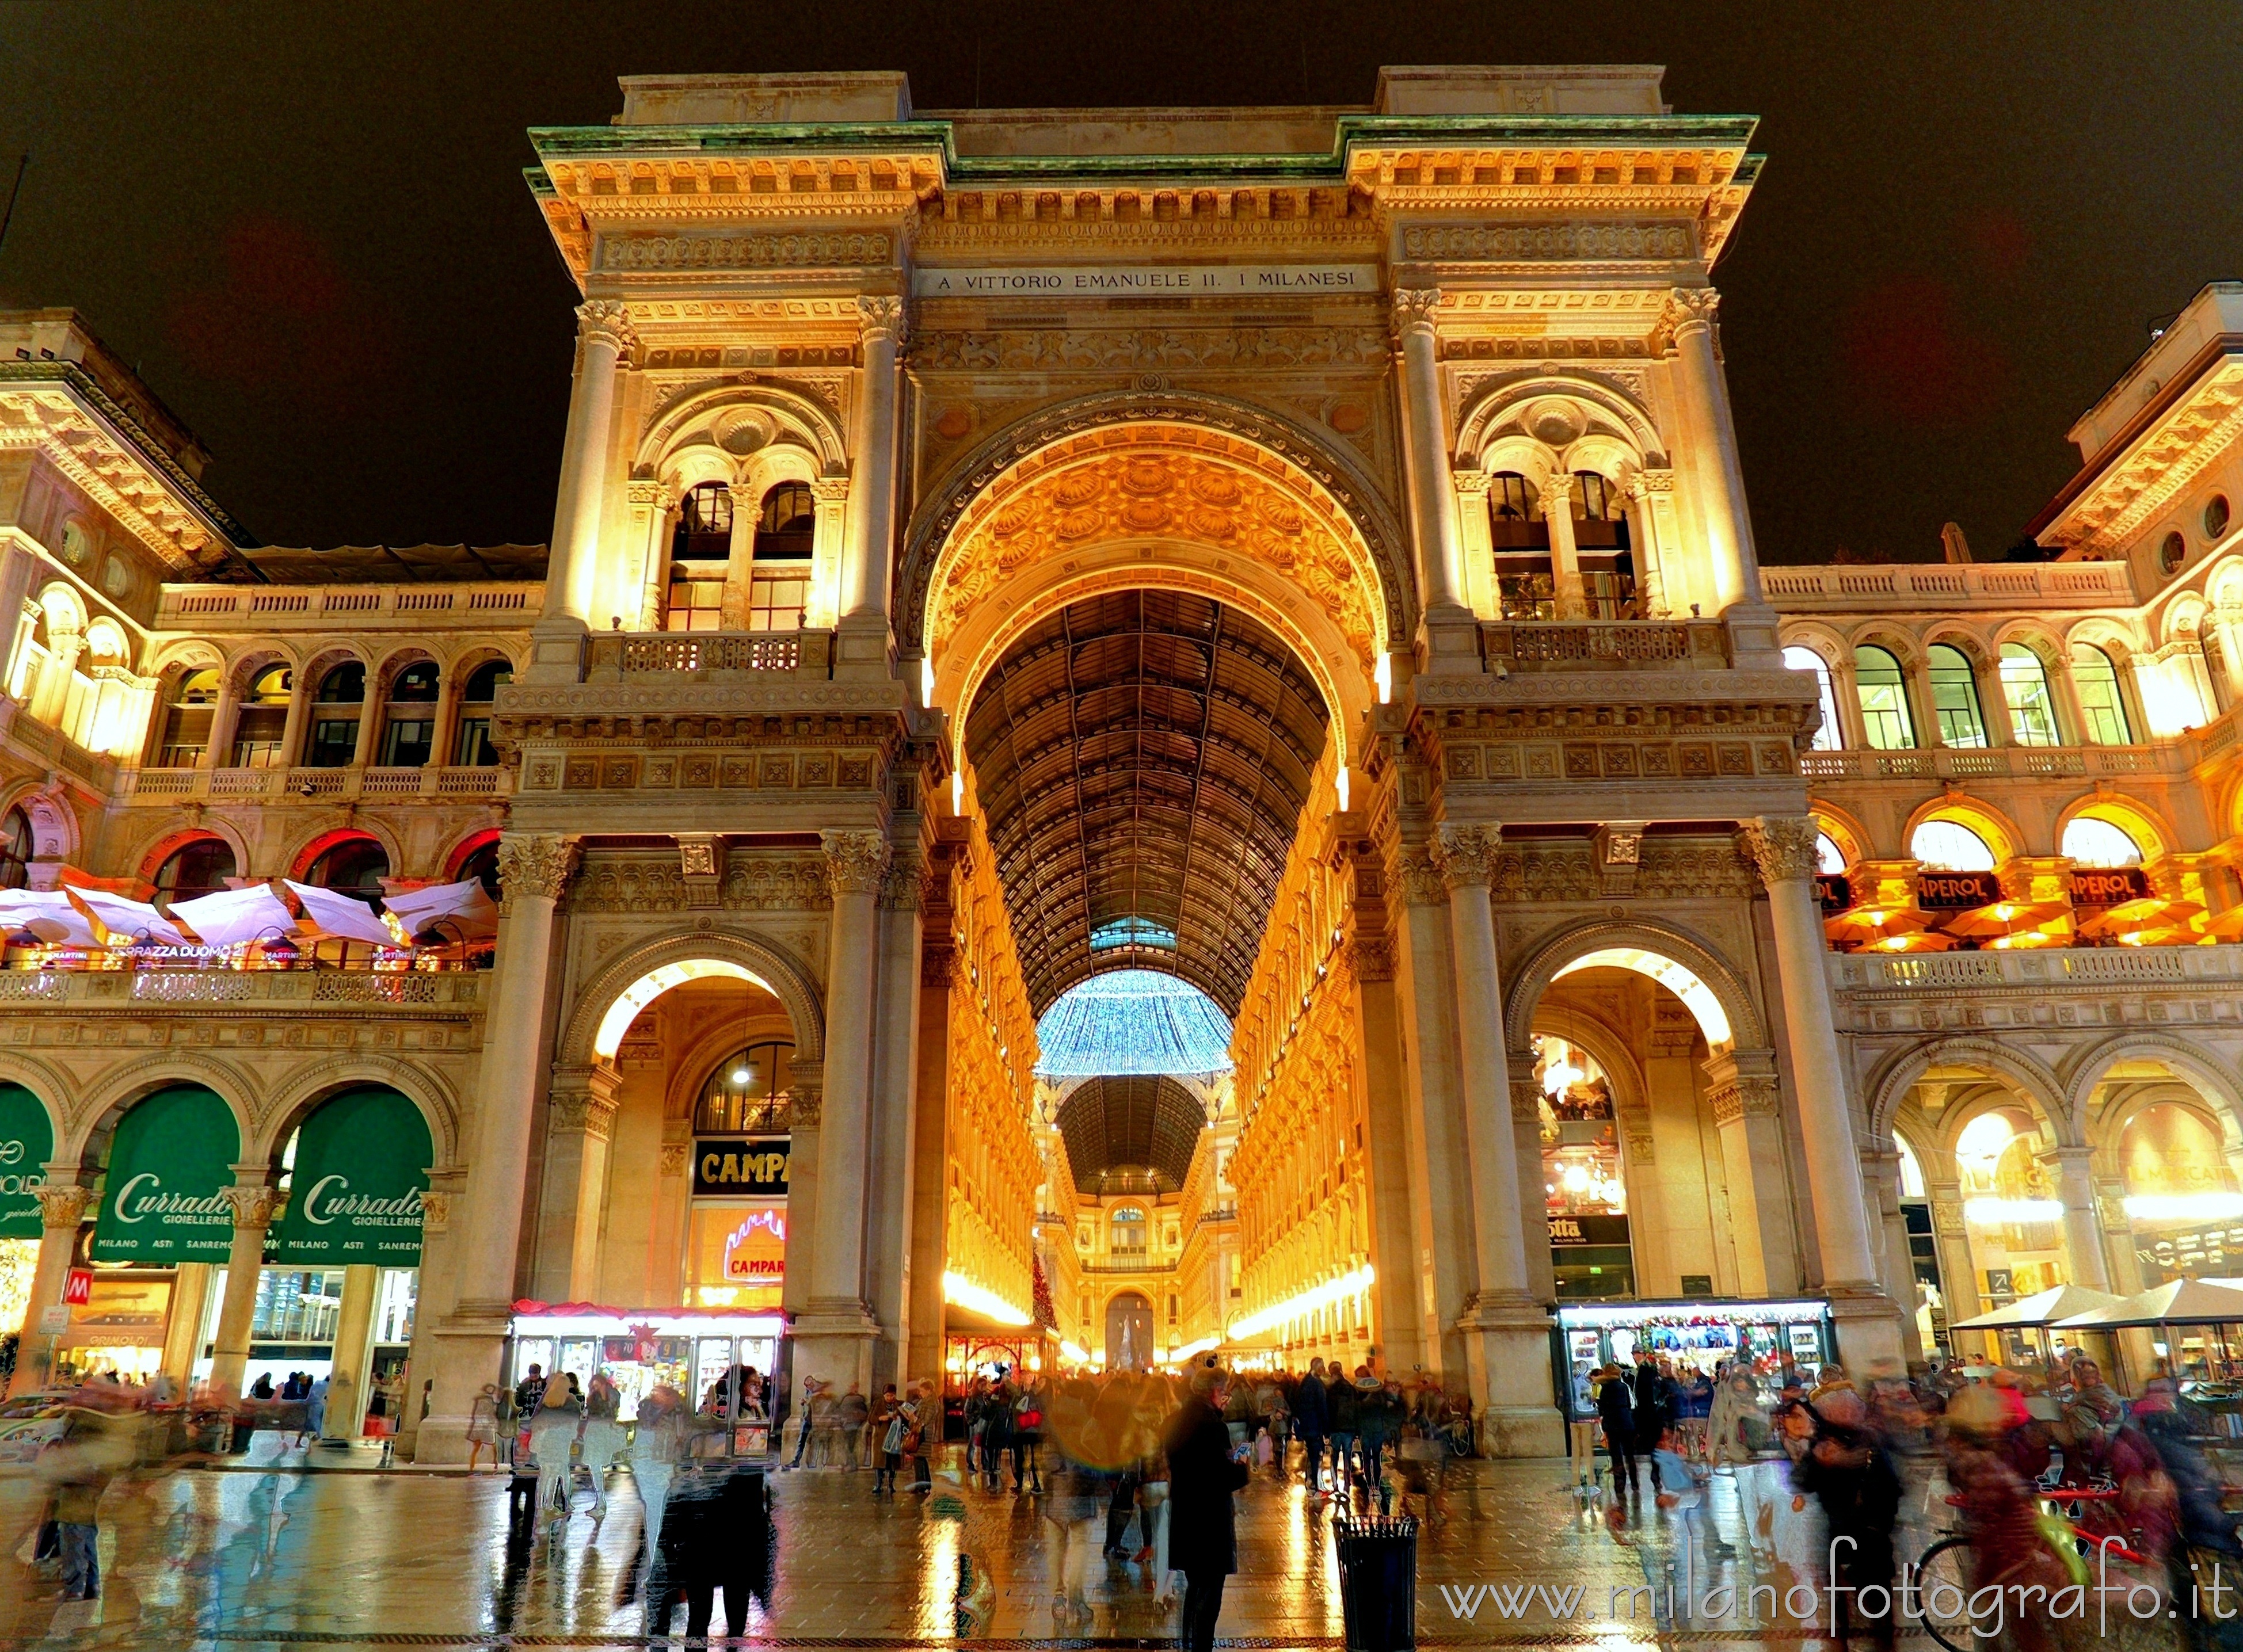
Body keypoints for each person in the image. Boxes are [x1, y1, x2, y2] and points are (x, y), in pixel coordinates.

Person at [1789, 1386, 1898, 1650]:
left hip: (1867, 1532)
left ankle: (1870, 1642)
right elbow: (1802, 1479)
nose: (1850, 1413)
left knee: (1874, 1600)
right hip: (1845, 1531)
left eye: (1852, 1409)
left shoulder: (1870, 1440)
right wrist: (1821, 1461)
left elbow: (1891, 1485)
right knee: (1851, 1600)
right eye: (1843, 1409)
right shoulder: (1824, 1442)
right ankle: (1848, 1642)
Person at [1166, 1361, 1250, 1652]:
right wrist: (1241, 1466)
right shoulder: (1214, 1427)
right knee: (1211, 1590)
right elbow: (1221, 1478)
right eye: (1224, 1394)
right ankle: (1201, 1648)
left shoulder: (1175, 1421)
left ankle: (1190, 1643)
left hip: (1185, 1515)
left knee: (1194, 1585)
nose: (1225, 1400)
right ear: (1215, 1392)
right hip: (1209, 1520)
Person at [529, 1374, 584, 1528]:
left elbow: (536, 1421)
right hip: (560, 1444)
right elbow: (574, 1427)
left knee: (545, 1475)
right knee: (553, 1475)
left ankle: (541, 1507)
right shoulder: (572, 1403)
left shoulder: (547, 1401)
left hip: (545, 1444)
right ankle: (549, 1505)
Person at [581, 1372, 625, 1519]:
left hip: (603, 1434)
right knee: (595, 1467)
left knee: (597, 1465)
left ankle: (600, 1502)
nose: (595, 1388)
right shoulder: (593, 1397)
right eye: (593, 1386)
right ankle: (600, 1501)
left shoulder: (613, 1395)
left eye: (597, 1385)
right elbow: (588, 1413)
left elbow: (611, 1412)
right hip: (594, 1433)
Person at [1597, 1364, 1639, 1495]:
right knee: (1629, 1453)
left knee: (1616, 1455)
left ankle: (1620, 1484)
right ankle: (1634, 1482)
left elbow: (1601, 1407)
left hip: (1612, 1423)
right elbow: (1628, 1403)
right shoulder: (1623, 1387)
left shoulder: (1603, 1388)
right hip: (1626, 1421)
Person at [1294, 1357, 1329, 1494]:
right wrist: (1326, 1431)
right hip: (1314, 1425)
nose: (1324, 1369)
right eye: (1322, 1367)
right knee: (1315, 1454)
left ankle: (1311, 1480)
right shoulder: (1314, 1384)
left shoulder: (1305, 1382)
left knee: (1312, 1452)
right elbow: (1322, 1408)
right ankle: (1314, 1482)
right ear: (1317, 1368)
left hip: (1307, 1425)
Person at [871, 1384, 902, 1493]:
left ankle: (891, 1484)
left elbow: (906, 1419)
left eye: (892, 1395)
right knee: (880, 1463)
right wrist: (880, 1418)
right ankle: (878, 1485)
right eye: (888, 1396)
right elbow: (871, 1418)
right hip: (881, 1437)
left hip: (894, 1438)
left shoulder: (899, 1405)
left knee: (892, 1463)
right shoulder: (878, 1404)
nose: (890, 1398)